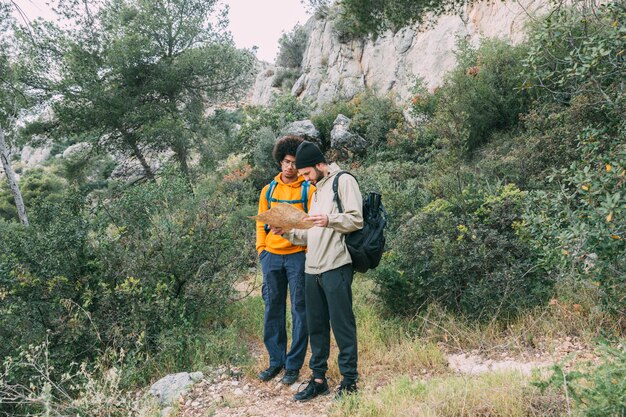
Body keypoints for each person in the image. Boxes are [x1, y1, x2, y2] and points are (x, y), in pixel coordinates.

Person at [273, 140, 363, 401]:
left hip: (336, 265)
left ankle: (349, 381)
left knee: (343, 326)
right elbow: (311, 234)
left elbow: (356, 219)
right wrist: (288, 232)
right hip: (312, 269)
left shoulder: (343, 181)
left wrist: (329, 219)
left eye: (307, 173)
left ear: (320, 165)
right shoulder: (317, 189)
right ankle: (318, 379)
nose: (305, 179)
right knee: (317, 328)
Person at [256, 135, 315, 386]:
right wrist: (262, 250)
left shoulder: (308, 189)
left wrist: (307, 252)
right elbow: (260, 223)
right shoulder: (268, 190)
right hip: (272, 257)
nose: (289, 167)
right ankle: (275, 362)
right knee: (273, 309)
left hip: (297, 258)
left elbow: (314, 225)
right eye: (285, 162)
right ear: (280, 162)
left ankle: (293, 366)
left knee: (300, 310)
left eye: (294, 162)